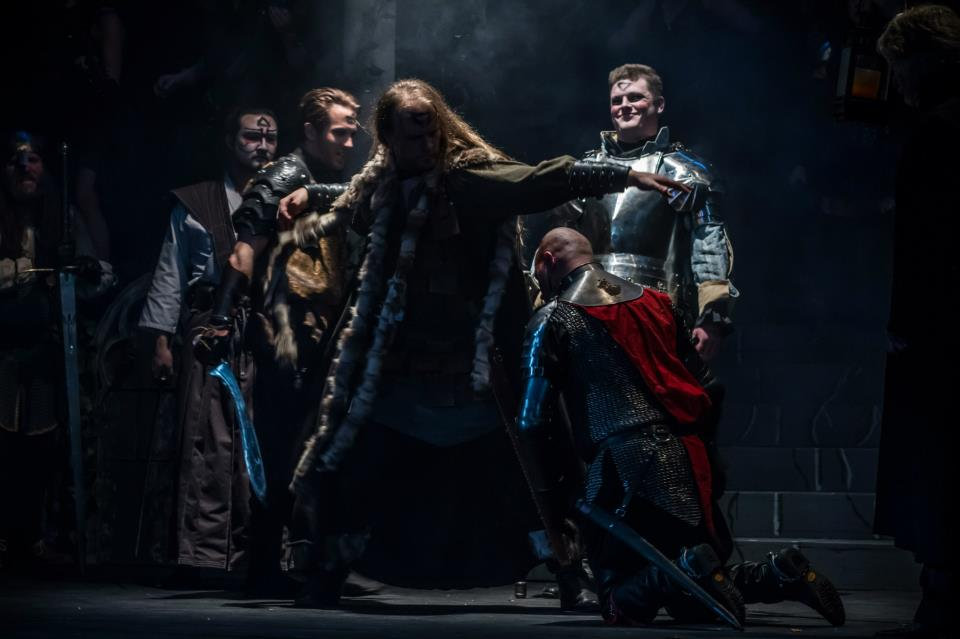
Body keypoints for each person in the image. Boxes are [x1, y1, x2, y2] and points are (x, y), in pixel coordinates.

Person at [210, 78, 688, 605]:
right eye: (411, 137)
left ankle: (571, 572)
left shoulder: (470, 179)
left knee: (528, 475)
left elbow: (540, 180)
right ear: (389, 139)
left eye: (431, 134)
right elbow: (352, 200)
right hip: (400, 366)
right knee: (357, 467)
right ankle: (328, 571)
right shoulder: (384, 185)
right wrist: (310, 194)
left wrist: (623, 174)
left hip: (477, 368)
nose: (425, 146)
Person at [517, 227, 845, 627]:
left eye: (538, 272)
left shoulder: (553, 317)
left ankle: (690, 566)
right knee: (692, 595)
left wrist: (559, 492)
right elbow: (705, 386)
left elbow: (532, 420)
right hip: (684, 457)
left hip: (622, 469)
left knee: (619, 600)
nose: (540, 283)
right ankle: (778, 574)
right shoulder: (656, 301)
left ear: (549, 261)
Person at [138, 106, 278, 573]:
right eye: (252, 137)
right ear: (230, 141)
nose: (262, 146)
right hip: (208, 333)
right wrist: (161, 340)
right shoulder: (197, 202)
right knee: (208, 442)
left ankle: (257, 553)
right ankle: (203, 553)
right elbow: (171, 272)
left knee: (257, 441)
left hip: (262, 332)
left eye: (270, 138)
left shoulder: (286, 200)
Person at [526, 63, 737, 361]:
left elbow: (708, 246)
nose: (624, 106)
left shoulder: (685, 171)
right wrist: (542, 303)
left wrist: (711, 315)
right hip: (586, 310)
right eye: (617, 100)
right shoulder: (588, 171)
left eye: (635, 97)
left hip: (659, 310)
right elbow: (557, 245)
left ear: (659, 105)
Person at [874, 6, 960, 638]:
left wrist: (906, 317)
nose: (895, 82)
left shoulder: (938, 131)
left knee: (938, 460)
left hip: (941, 330)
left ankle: (943, 602)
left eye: (899, 67)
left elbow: (927, 241)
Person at [0, 131, 112, 569]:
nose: (25, 167)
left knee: (41, 448)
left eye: (33, 160)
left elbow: (98, 278)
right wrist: (23, 273)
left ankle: (33, 535)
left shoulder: (60, 220)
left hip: (43, 350)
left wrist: (81, 268)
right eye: (16, 160)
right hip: (3, 348)